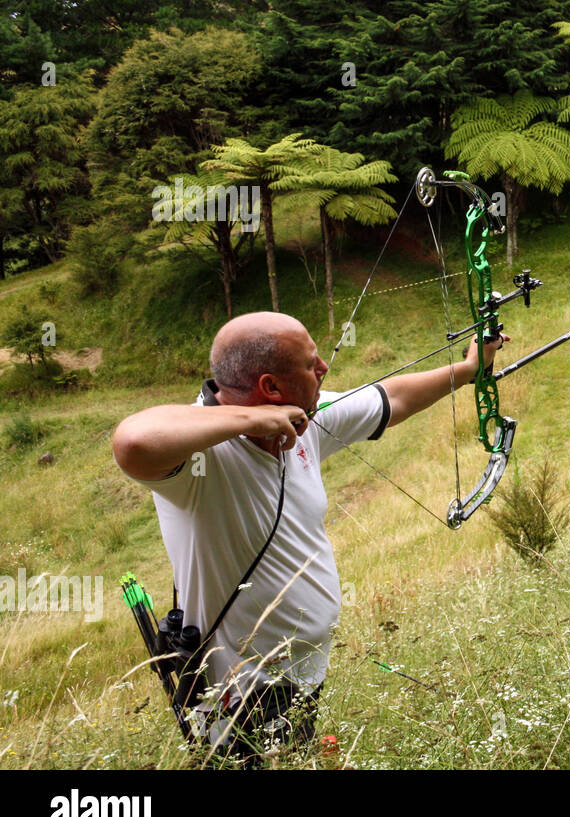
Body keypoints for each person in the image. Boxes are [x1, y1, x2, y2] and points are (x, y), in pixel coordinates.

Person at [112, 311, 502, 765]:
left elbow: (391, 397)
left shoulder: (305, 422)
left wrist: (470, 369)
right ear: (271, 388)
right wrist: (251, 421)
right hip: (238, 697)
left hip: (300, 676)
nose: (324, 370)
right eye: (311, 363)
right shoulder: (199, 455)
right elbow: (131, 442)